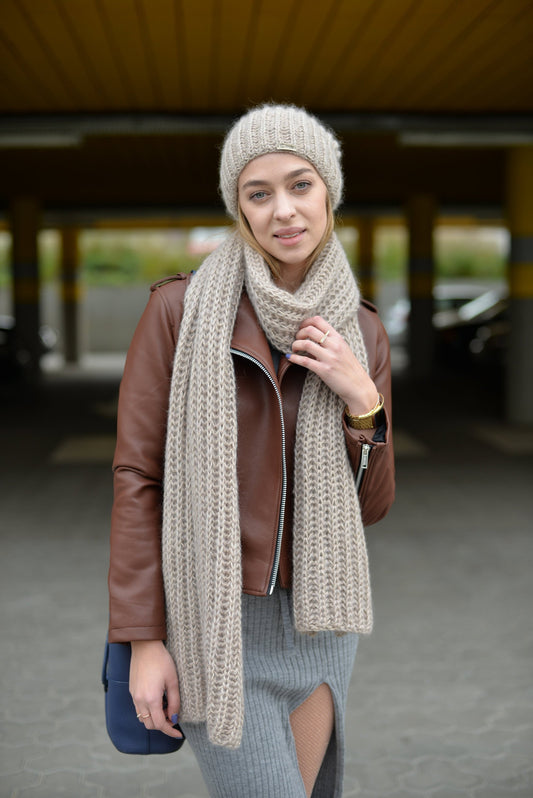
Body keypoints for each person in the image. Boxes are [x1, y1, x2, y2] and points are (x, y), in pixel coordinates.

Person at [108, 103, 395, 797]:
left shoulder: (359, 331)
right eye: (257, 193)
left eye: (300, 185)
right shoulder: (178, 311)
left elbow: (375, 505)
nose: (283, 211)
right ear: (237, 207)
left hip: (321, 625)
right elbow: (137, 478)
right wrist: (144, 639)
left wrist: (361, 398)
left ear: (328, 190)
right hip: (213, 621)